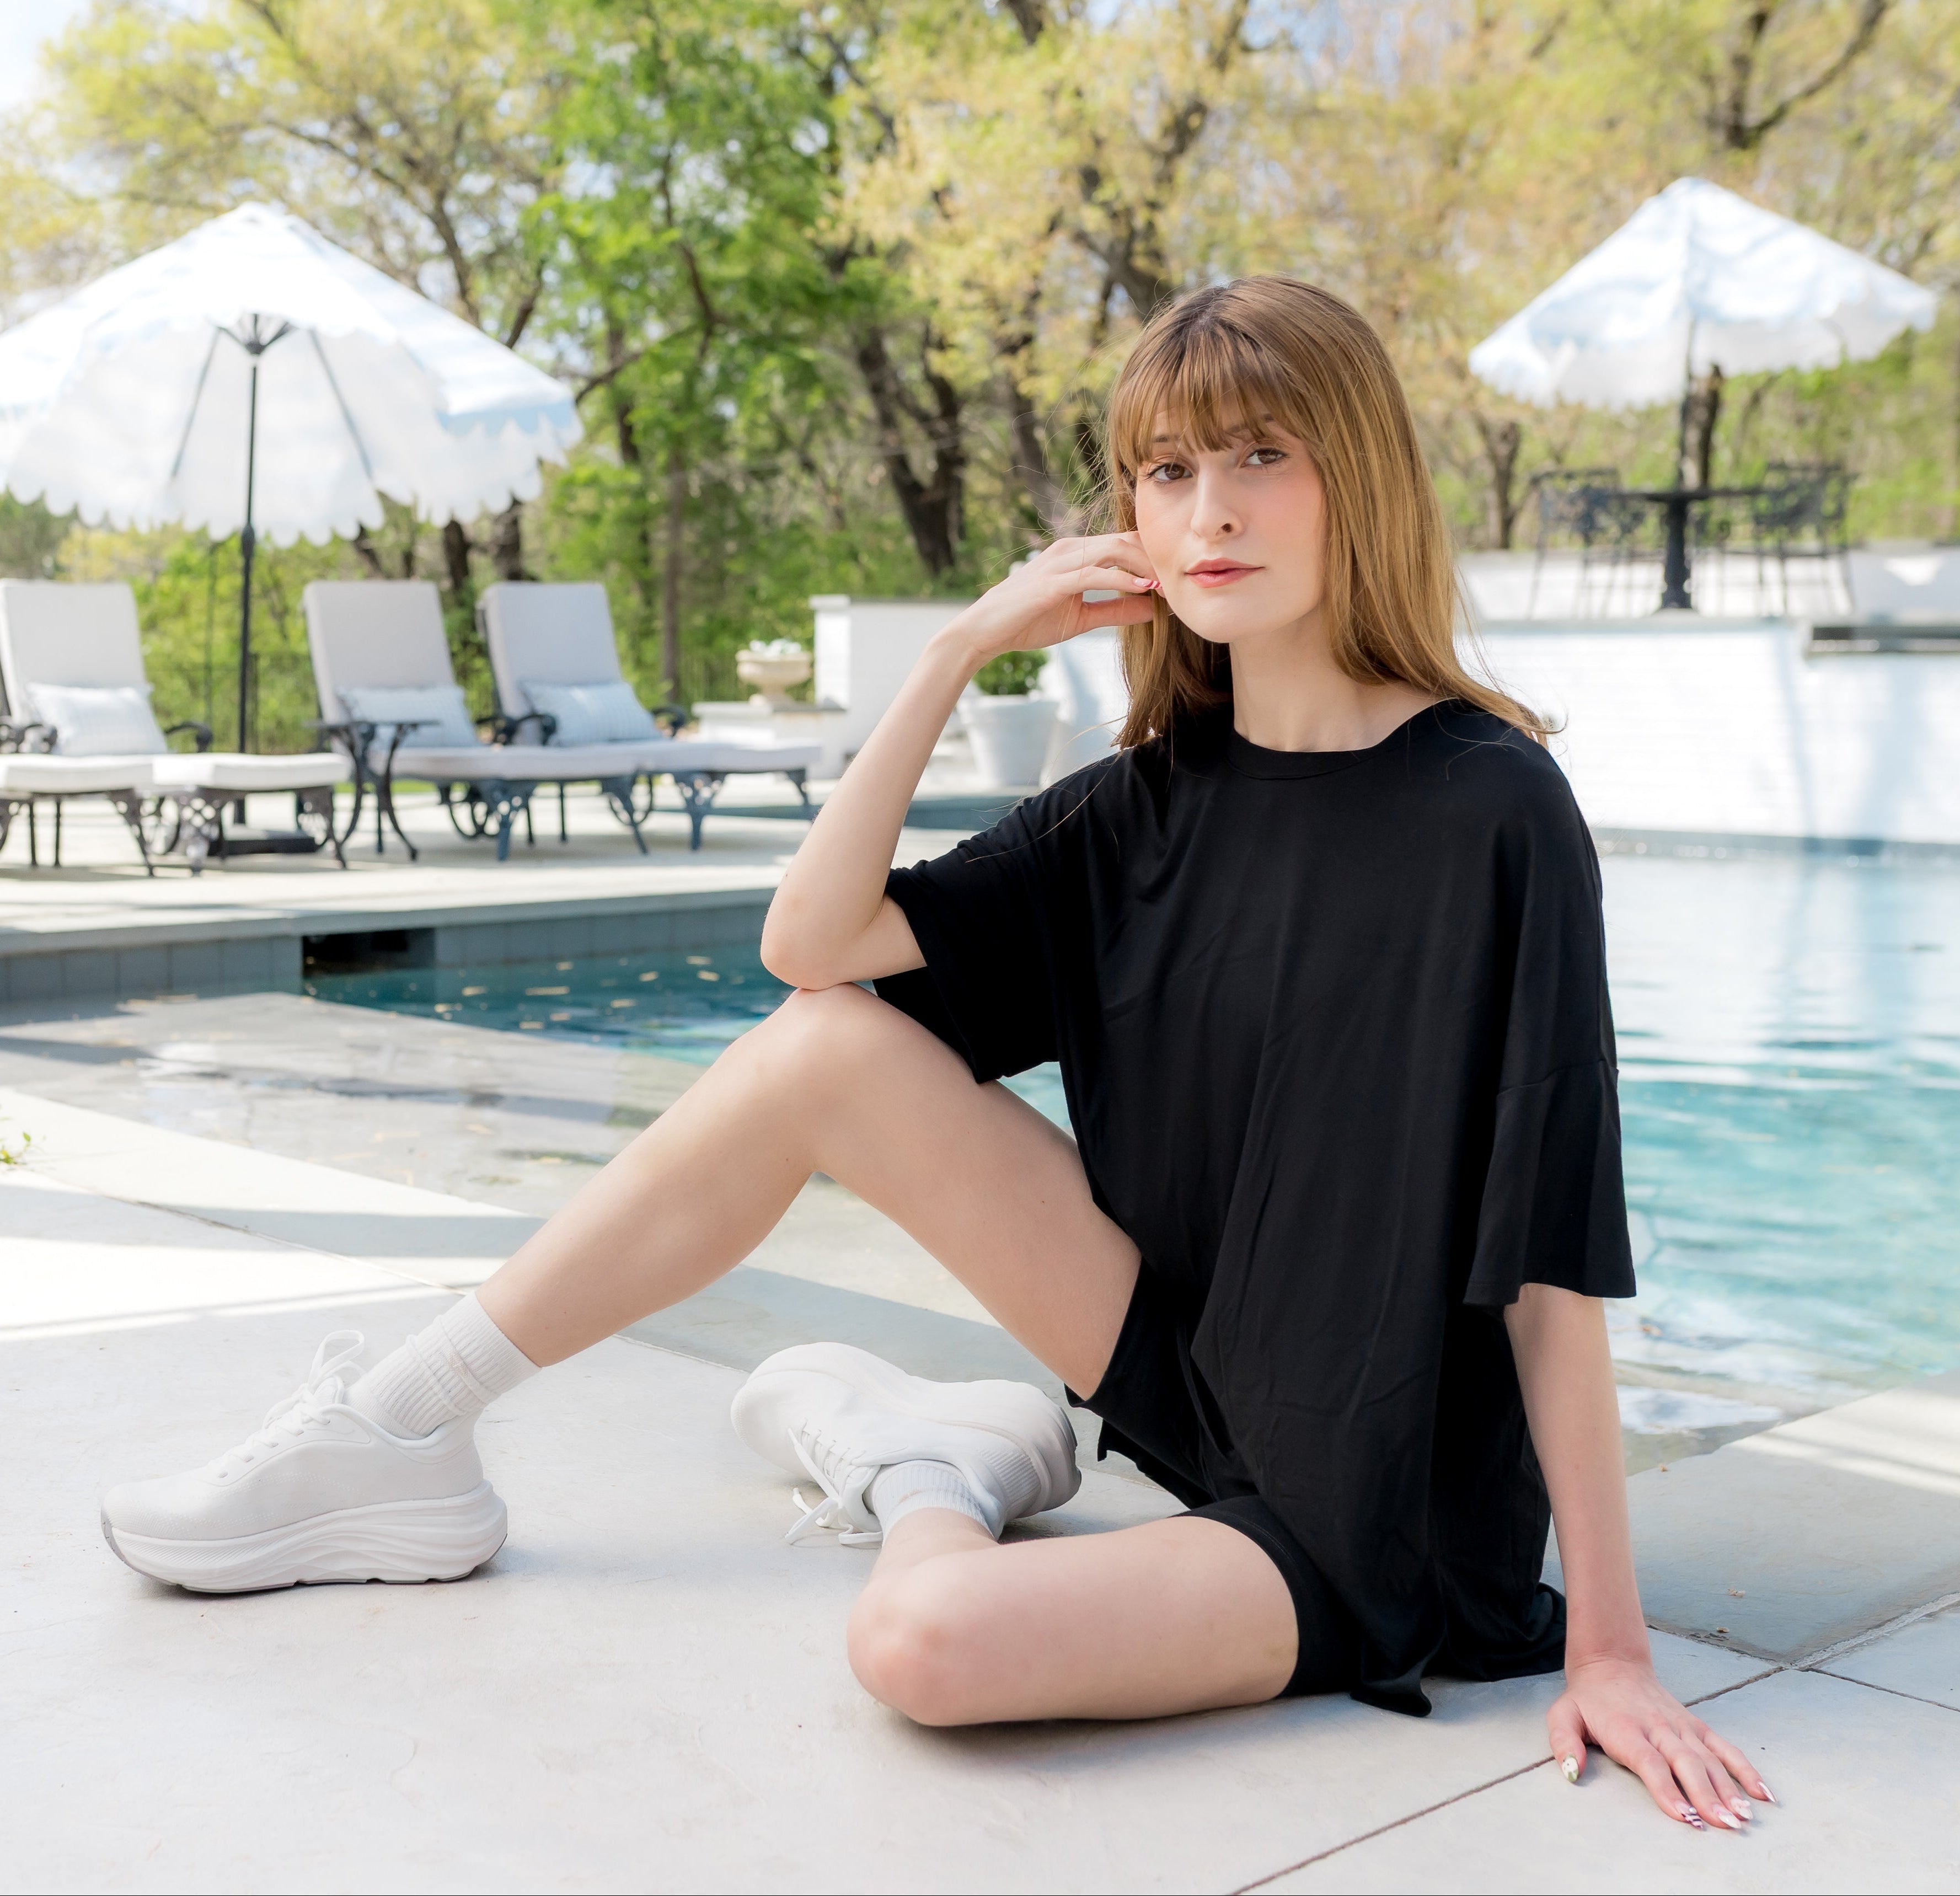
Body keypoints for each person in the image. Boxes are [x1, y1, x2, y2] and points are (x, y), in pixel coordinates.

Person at [101, 277, 1769, 1832]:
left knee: (926, 1648)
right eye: (1165, 469)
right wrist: (953, 651)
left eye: (1265, 457)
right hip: (1177, 1370)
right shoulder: (1140, 809)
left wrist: (1606, 1645)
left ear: (1360, 481)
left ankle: (931, 1460)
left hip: (1368, 1506)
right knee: (824, 1045)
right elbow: (806, 949)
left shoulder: (1492, 809)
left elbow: (1552, 1260)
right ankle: (404, 1432)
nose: (1209, 512)